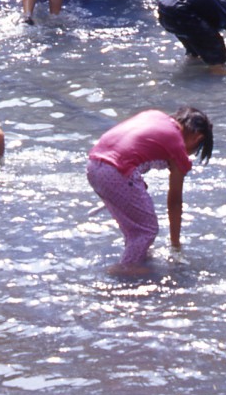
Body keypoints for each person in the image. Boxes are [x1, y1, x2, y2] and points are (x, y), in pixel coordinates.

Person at [86, 107, 214, 274]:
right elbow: (175, 202)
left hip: (94, 165)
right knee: (146, 230)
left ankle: (137, 259)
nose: (188, 154)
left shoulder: (155, 115)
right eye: (194, 150)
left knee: (134, 230)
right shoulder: (177, 144)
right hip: (116, 172)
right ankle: (124, 270)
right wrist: (175, 246)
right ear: (198, 138)